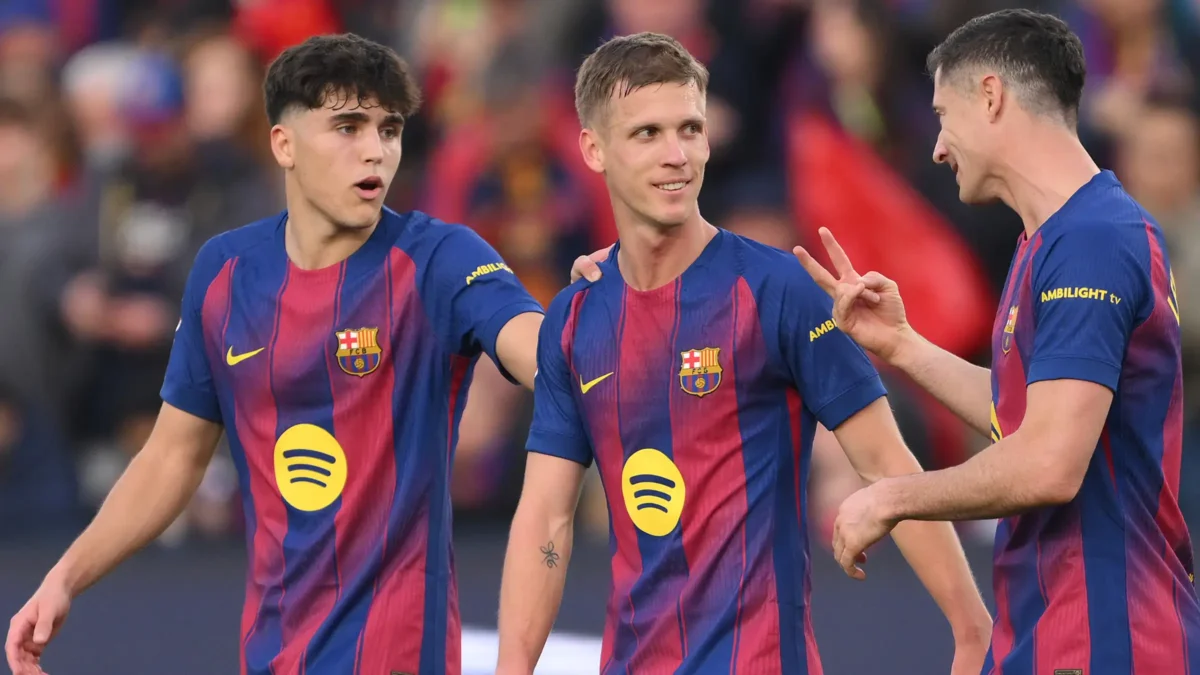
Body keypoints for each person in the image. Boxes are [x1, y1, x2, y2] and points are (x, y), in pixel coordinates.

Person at [5, 34, 544, 675]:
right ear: (284, 145)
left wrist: (595, 322)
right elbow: (173, 456)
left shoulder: (439, 259)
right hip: (272, 652)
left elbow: (542, 353)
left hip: (396, 655)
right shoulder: (226, 272)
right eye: (348, 126)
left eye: (390, 129)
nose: (375, 150)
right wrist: (66, 577)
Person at [495, 31, 992, 675]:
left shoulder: (776, 289)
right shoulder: (574, 318)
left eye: (690, 129)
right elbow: (547, 519)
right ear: (594, 149)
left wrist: (971, 628)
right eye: (647, 134)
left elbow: (888, 466)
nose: (677, 155)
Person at [791, 9, 1200, 673]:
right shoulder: (1052, 240)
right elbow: (1026, 412)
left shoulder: (1092, 240)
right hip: (1053, 630)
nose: (937, 147)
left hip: (1107, 637)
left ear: (990, 96)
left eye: (943, 114)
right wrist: (903, 345)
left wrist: (894, 496)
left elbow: (1049, 462)